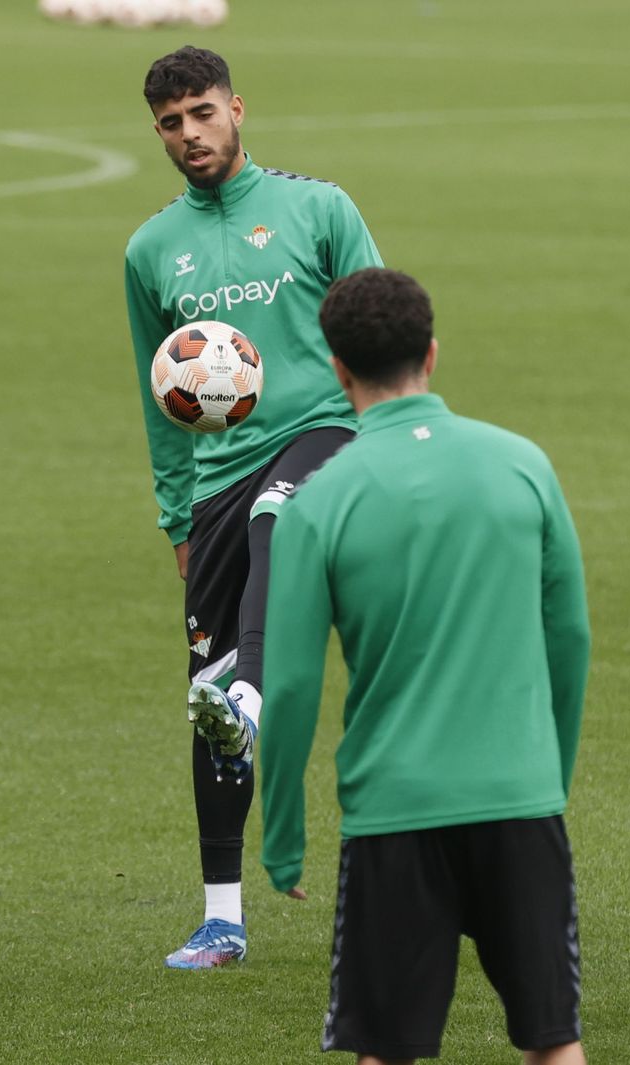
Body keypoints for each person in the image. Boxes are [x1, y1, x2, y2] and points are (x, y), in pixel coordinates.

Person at [260, 268, 590, 1064]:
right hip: (519, 798)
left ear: (338, 369)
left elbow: (293, 683)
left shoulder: (317, 503)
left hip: (395, 812)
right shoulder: (523, 464)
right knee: (554, 1042)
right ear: (432, 353)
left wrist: (283, 835)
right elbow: (571, 635)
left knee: (388, 1049)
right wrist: (549, 773)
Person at [122, 45, 384, 967]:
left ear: (237, 108)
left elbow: (383, 326)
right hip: (215, 483)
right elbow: (159, 402)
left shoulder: (319, 208)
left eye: (202, 113)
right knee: (204, 698)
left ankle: (250, 692)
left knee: (280, 510)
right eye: (171, 124)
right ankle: (223, 919)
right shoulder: (151, 250)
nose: (189, 135)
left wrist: (395, 446)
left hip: (325, 440)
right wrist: (177, 519)